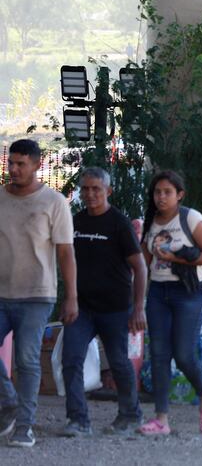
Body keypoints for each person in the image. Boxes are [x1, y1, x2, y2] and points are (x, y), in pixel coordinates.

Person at [0, 139, 77, 448]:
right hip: (2, 292)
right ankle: (8, 401)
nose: (14, 169)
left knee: (27, 358)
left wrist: (71, 296)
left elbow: (66, 253)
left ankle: (25, 426)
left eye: (21, 163)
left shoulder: (53, 202)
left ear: (37, 164)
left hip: (37, 294)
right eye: (11, 162)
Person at [61, 167, 146, 437]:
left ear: (108, 191)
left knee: (119, 362)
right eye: (85, 189)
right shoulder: (75, 221)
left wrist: (138, 308)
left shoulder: (119, 224)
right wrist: (69, 298)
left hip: (116, 308)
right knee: (71, 359)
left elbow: (140, 267)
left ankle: (130, 415)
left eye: (96, 189)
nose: (90, 194)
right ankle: (78, 420)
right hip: (82, 307)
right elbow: (66, 260)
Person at [138, 170, 202, 436]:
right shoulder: (151, 221)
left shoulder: (190, 218)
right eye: (157, 192)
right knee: (159, 354)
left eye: (167, 192)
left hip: (188, 292)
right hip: (158, 292)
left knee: (184, 354)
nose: (161, 197)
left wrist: (176, 259)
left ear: (179, 195)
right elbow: (144, 262)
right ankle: (161, 419)